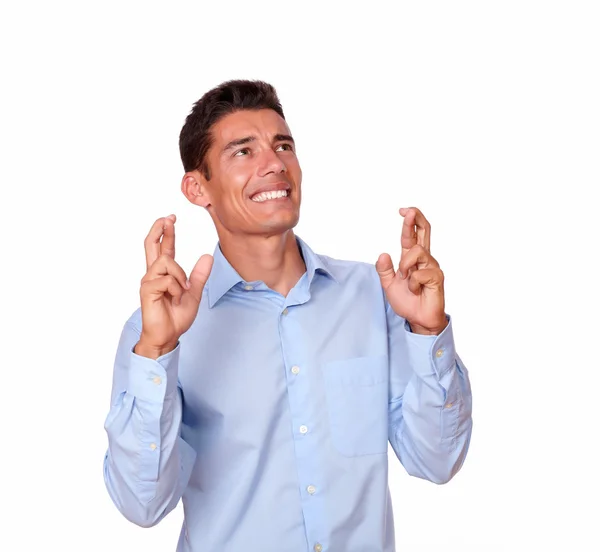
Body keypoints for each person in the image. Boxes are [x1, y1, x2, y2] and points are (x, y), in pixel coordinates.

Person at [103, 79, 473, 552]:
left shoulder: (373, 295)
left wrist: (427, 330)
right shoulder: (156, 331)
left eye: (283, 146)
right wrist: (157, 352)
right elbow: (142, 505)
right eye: (243, 151)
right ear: (197, 188)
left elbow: (437, 461)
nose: (274, 164)